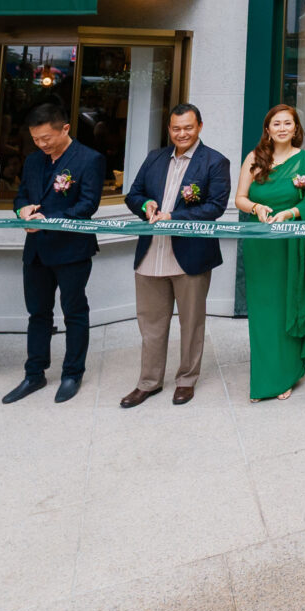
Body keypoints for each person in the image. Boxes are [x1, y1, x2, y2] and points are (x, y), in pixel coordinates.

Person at [121, 104, 230, 407]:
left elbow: (215, 207)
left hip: (190, 255)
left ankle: (186, 380)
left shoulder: (215, 162)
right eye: (176, 128)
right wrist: (146, 207)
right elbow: (134, 194)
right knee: (151, 324)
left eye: (188, 127)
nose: (182, 134)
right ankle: (149, 382)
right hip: (150, 255)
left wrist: (176, 217)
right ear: (169, 129)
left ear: (200, 127)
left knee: (191, 323)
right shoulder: (154, 157)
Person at [5, 102, 103, 405]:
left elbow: (87, 205)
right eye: (36, 139)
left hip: (71, 249)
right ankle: (34, 373)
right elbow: (22, 195)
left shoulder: (89, 159)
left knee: (74, 313)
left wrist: (49, 222)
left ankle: (72, 373)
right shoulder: (34, 161)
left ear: (65, 129)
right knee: (38, 314)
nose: (41, 144)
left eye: (46, 138)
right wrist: (22, 210)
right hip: (35, 251)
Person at [236, 104, 305, 400]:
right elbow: (240, 199)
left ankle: (286, 374)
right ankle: (264, 377)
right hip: (261, 246)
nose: (282, 128)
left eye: (288, 123)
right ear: (267, 129)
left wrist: (289, 213)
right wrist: (256, 207)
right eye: (276, 123)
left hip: (290, 245)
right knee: (263, 310)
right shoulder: (253, 159)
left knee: (287, 304)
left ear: (296, 129)